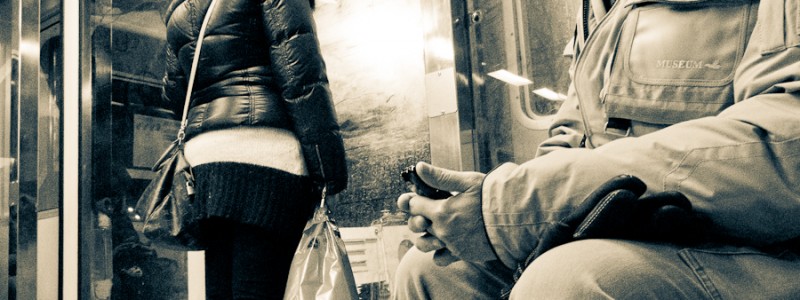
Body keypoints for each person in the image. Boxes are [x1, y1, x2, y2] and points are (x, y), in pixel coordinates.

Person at [393, 0, 800, 299]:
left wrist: (515, 207)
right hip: (635, 232)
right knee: (429, 271)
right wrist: (491, 204)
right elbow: (577, 129)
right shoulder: (604, 8)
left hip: (762, 249)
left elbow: (785, 151)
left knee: (565, 283)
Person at [161, 0, 348, 299]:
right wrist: (330, 172)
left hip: (204, 165)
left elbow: (174, 93)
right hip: (266, 157)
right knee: (261, 287)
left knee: (220, 286)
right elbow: (302, 79)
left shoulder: (180, 8)